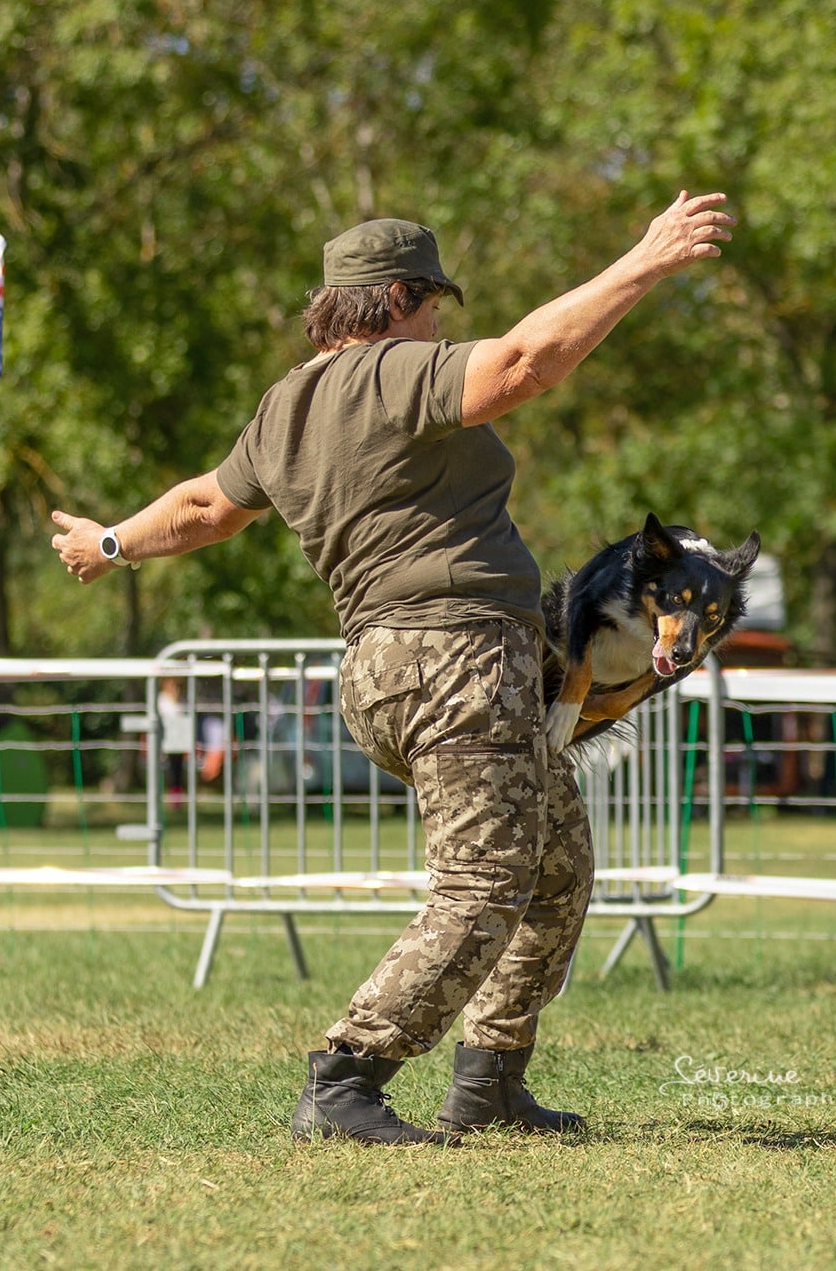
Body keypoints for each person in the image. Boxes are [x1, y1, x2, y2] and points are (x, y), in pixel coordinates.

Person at [50, 191, 735, 1145]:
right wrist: (646, 261)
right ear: (399, 300)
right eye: (434, 307)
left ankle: (490, 1080)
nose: (440, 328)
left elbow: (206, 507)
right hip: (455, 659)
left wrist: (110, 542)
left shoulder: (284, 407)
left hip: (387, 670)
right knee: (485, 879)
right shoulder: (392, 372)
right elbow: (526, 362)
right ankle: (347, 1077)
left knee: (556, 867)